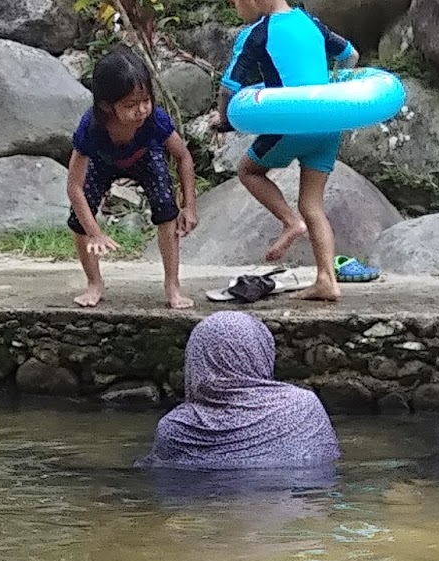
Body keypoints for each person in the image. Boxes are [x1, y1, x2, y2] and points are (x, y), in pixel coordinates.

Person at [216, 0, 358, 302]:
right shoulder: (311, 23)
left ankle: (290, 221)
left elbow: (228, 87)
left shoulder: (258, 33)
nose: (235, 8)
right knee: (313, 205)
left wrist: (224, 121)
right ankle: (327, 280)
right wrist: (333, 91)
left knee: (248, 171)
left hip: (291, 125)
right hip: (328, 124)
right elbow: (350, 55)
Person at [66, 47, 198, 310]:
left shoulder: (155, 120)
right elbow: (74, 187)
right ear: (107, 106)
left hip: (145, 156)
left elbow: (183, 157)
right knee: (79, 220)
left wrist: (190, 206)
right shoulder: (91, 127)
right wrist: (94, 233)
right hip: (102, 161)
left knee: (166, 210)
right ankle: (94, 283)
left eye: (146, 100)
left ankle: (172, 286)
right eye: (130, 105)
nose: (141, 110)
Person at [136, 311, 341, 469]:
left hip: (210, 509)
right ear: (261, 352)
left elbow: (170, 487)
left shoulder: (176, 429)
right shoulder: (304, 405)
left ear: (196, 361)